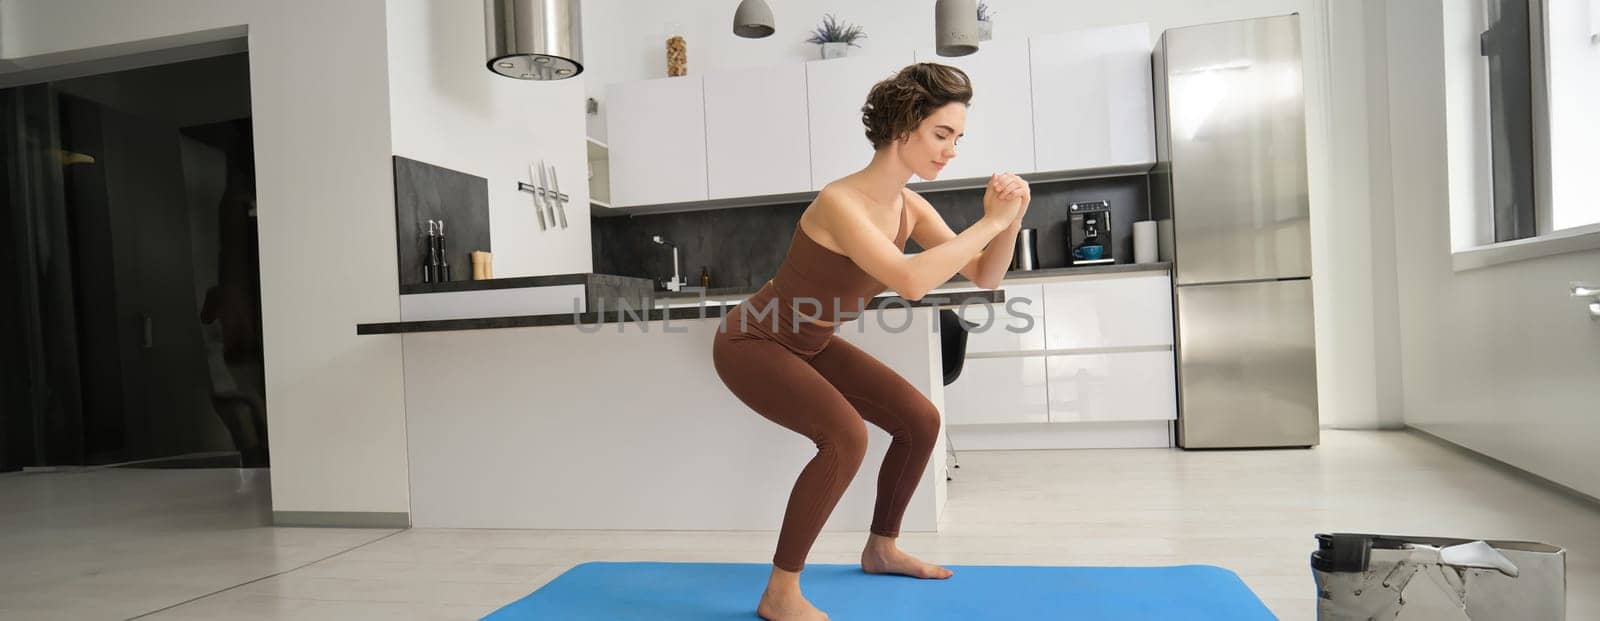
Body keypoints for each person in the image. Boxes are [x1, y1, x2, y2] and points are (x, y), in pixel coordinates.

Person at [710, 63, 1031, 621]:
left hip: (809, 340)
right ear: (904, 126)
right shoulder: (842, 202)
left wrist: (1008, 222)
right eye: (941, 134)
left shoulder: (909, 205)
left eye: (957, 138)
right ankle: (780, 592)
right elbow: (910, 280)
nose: (951, 151)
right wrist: (988, 221)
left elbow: (985, 276)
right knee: (845, 437)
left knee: (921, 420)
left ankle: (882, 548)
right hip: (752, 340)